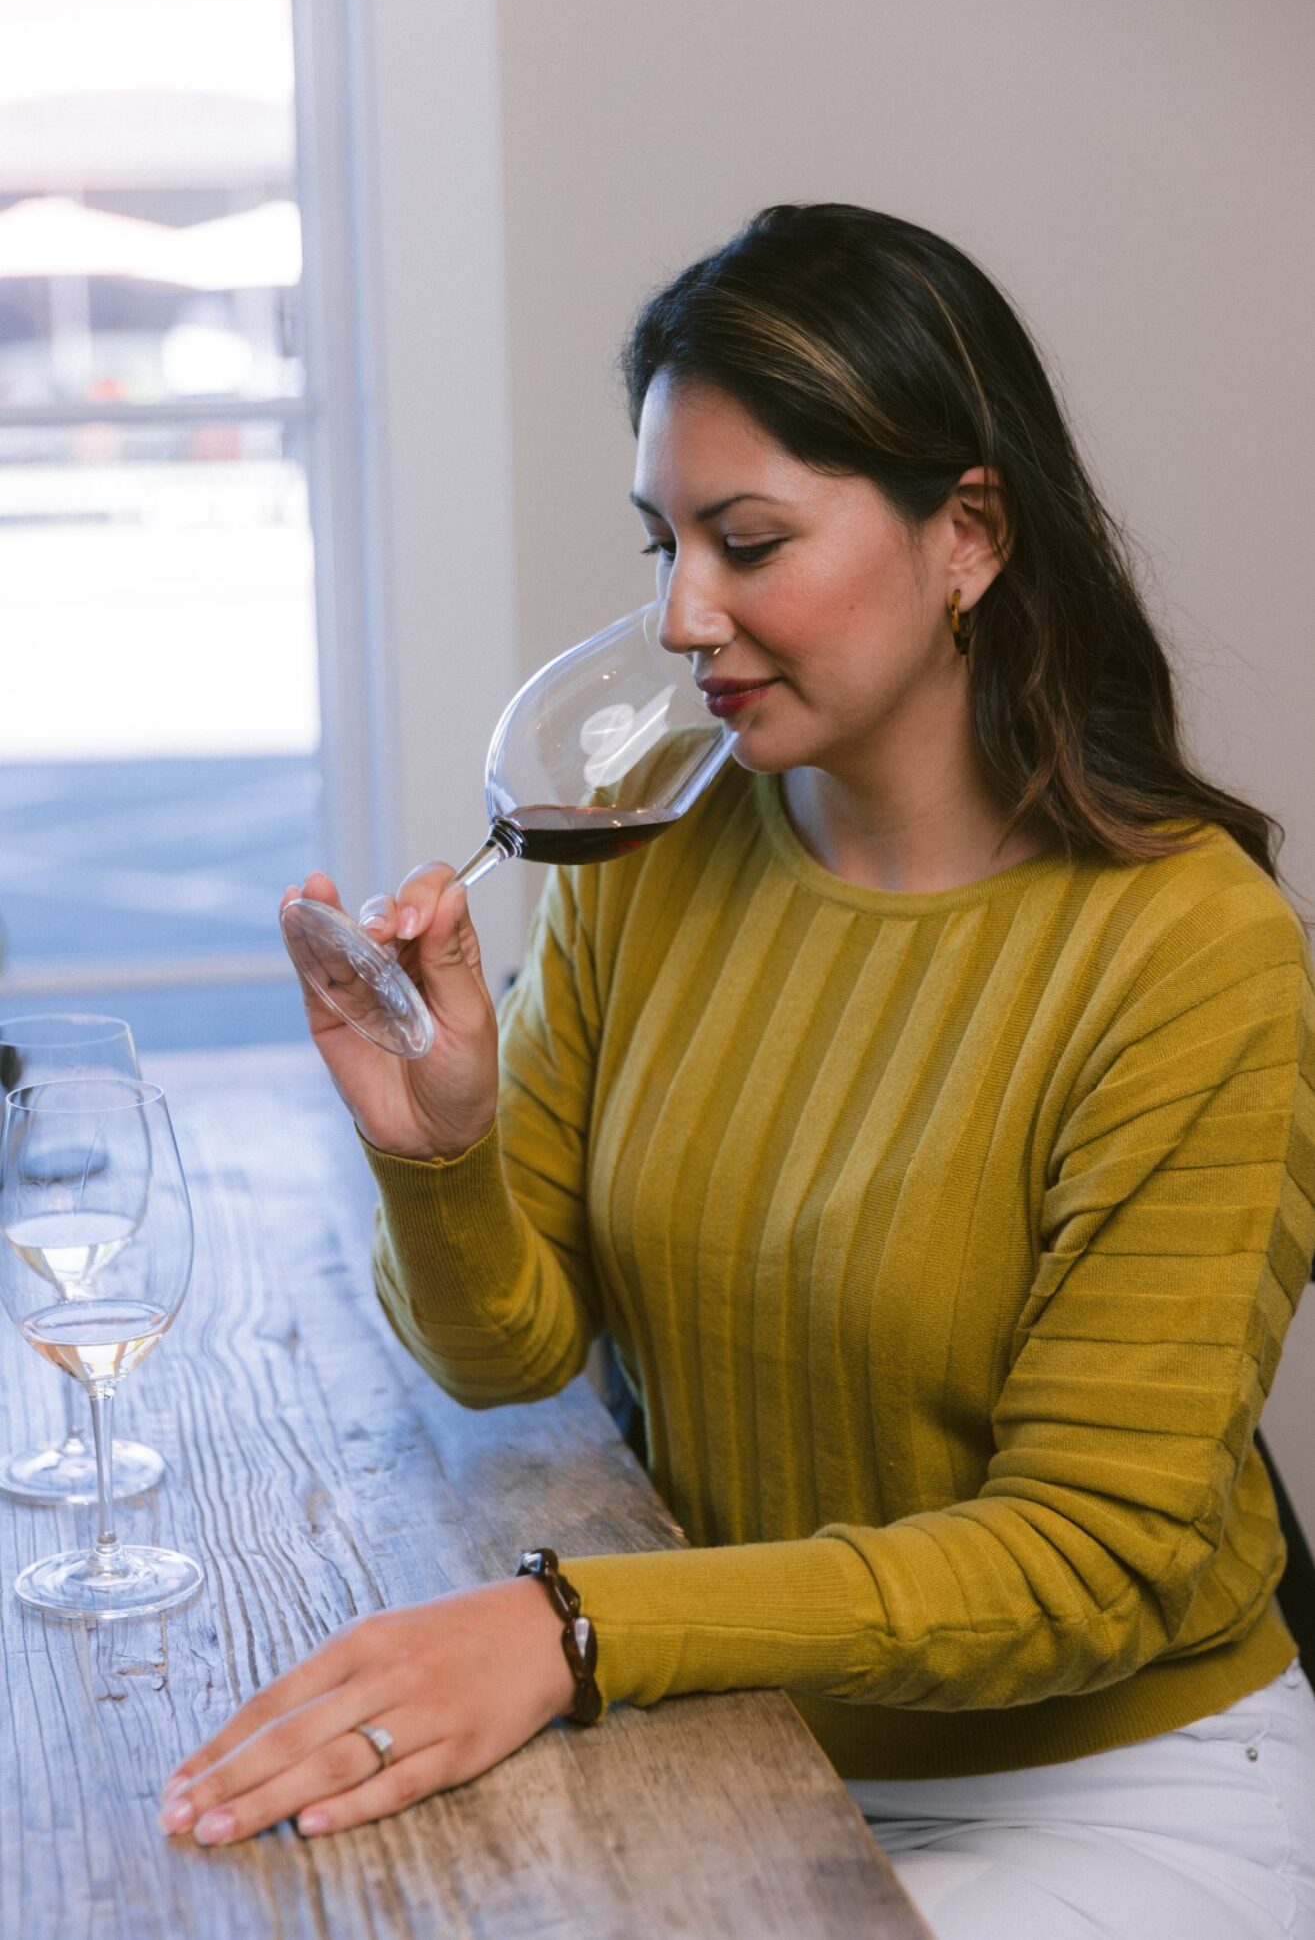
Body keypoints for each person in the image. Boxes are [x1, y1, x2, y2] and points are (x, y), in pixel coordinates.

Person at [158, 205, 1315, 1940]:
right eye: (663, 543)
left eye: (748, 541)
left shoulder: (1189, 953)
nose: (683, 614)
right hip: (726, 1738)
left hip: (1105, 1792)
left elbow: (1093, 1558)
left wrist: (574, 1628)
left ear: (970, 534)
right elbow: (506, 1359)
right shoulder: (658, 854)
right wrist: (442, 1151)